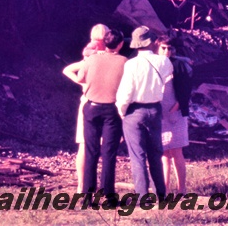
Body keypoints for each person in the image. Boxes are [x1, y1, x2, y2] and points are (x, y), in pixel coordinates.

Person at [63, 30, 126, 203]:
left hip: (91, 108)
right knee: (109, 153)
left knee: (90, 151)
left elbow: (81, 77)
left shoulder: (91, 60)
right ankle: (108, 196)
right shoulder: (124, 62)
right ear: (120, 44)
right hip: (112, 110)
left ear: (104, 43)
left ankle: (86, 196)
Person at [115, 26, 173, 199]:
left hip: (134, 110)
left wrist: (122, 110)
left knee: (137, 155)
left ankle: (142, 197)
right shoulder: (164, 62)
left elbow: (126, 92)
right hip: (155, 109)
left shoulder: (131, 64)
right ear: (151, 42)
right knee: (156, 152)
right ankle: (160, 194)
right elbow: (168, 76)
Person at [69, 23, 110, 192]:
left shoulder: (92, 53)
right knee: (91, 146)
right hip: (101, 101)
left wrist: (82, 82)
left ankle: (82, 186)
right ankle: (86, 185)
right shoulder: (97, 52)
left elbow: (70, 69)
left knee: (85, 146)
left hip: (89, 100)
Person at [157, 36, 192, 193]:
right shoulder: (155, 65)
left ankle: (181, 189)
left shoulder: (179, 65)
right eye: (163, 48)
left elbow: (186, 90)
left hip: (176, 113)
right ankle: (164, 188)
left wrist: (176, 107)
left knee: (177, 151)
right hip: (160, 113)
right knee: (164, 154)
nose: (166, 51)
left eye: (169, 48)